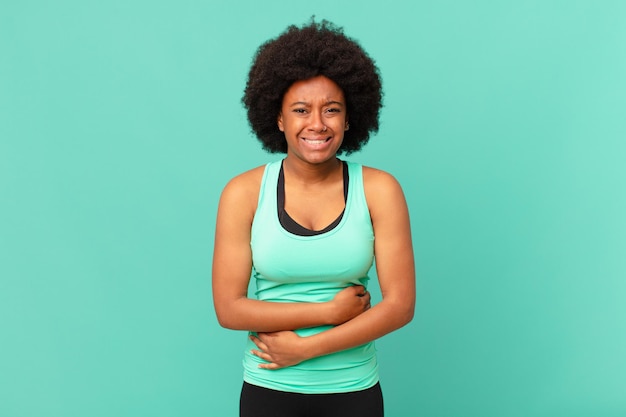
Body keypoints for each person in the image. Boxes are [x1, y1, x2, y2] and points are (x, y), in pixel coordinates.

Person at [212, 19, 415, 417]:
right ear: (279, 118)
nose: (317, 124)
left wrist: (306, 348)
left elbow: (401, 306)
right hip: (269, 389)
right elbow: (229, 309)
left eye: (332, 110)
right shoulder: (243, 193)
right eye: (301, 110)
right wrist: (326, 313)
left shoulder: (379, 190)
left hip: (353, 391)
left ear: (350, 117)